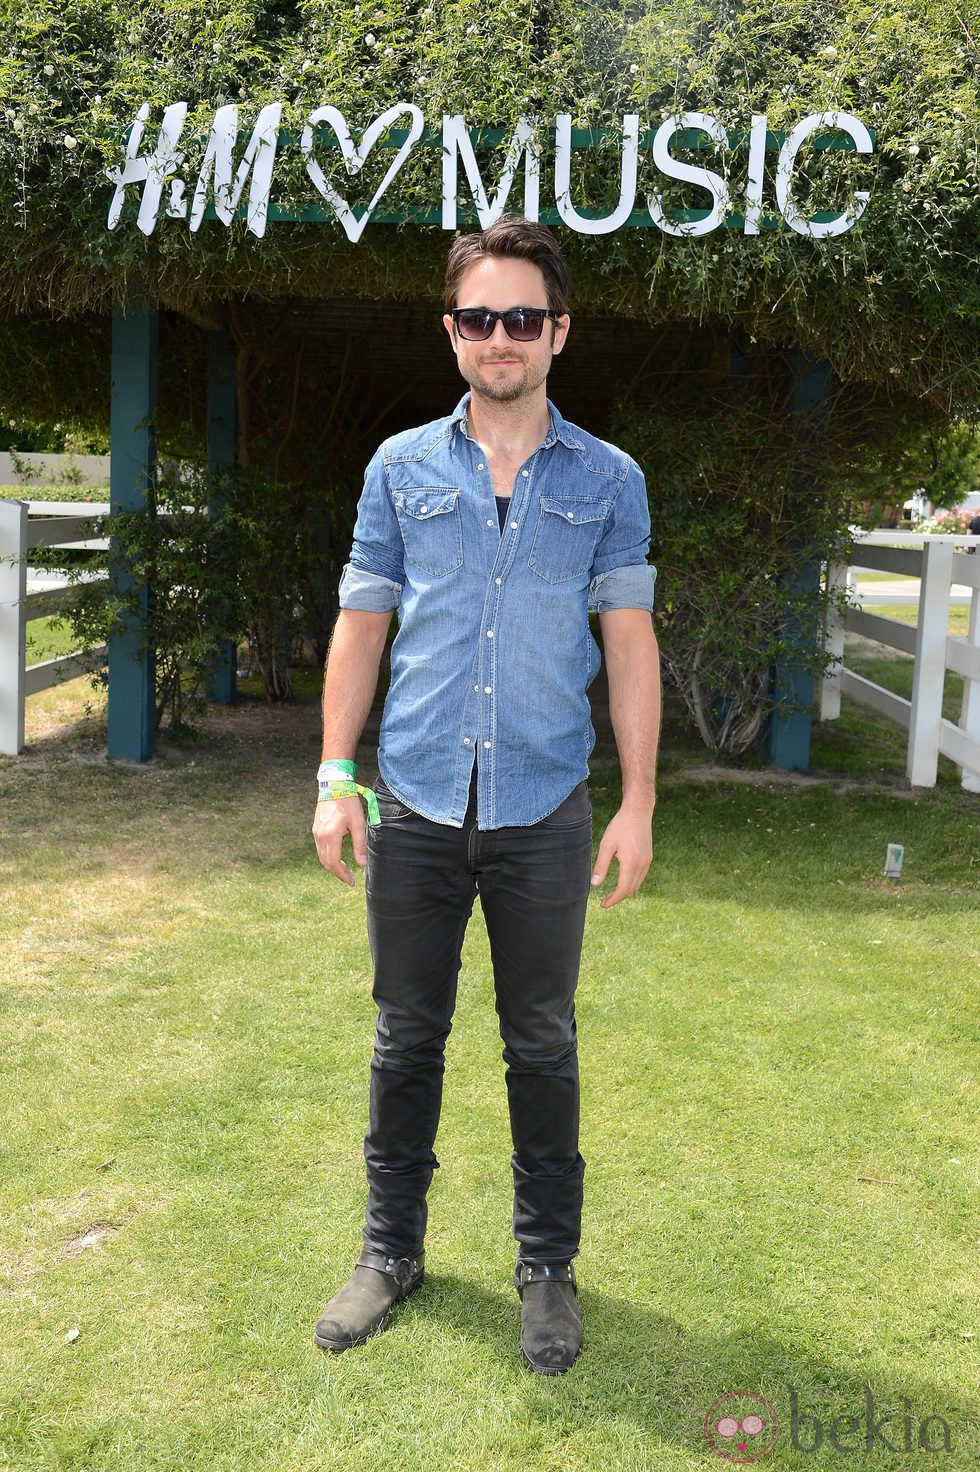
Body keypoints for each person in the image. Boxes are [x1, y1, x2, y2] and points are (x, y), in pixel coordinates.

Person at [311, 214, 661, 1375]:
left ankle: (546, 1268)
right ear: (451, 330)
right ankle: (387, 1250)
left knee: (540, 1041)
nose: (498, 337)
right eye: (478, 317)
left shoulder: (609, 478)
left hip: (543, 807)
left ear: (556, 331)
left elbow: (627, 644)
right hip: (412, 799)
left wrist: (638, 801)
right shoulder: (398, 466)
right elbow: (362, 627)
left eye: (521, 317)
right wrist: (334, 774)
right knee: (405, 1036)